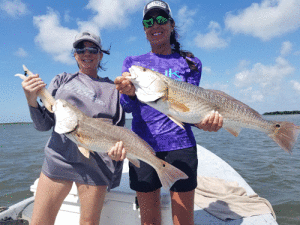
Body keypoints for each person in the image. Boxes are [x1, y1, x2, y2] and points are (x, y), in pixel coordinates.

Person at [114, 1, 223, 225]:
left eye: (162, 19)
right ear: (144, 29)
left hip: (181, 147)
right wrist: (129, 93)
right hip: (142, 147)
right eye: (149, 21)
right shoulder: (133, 63)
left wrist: (206, 123)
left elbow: (191, 112)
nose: (155, 25)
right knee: (149, 222)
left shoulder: (191, 63)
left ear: (172, 25)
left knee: (183, 222)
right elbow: (127, 107)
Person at [21, 31, 126, 225]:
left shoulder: (114, 90)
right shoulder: (62, 80)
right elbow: (43, 125)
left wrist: (118, 154)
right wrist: (31, 100)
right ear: (75, 54)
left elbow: (118, 130)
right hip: (59, 158)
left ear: (100, 54)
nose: (86, 53)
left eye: (92, 49)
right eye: (80, 49)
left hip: (96, 163)